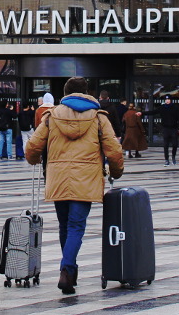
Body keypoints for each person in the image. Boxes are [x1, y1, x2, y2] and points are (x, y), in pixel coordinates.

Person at [25, 77, 124, 296]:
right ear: (87, 92)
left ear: (66, 93)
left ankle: (70, 270)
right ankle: (67, 269)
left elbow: (33, 146)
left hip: (58, 178)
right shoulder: (98, 118)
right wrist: (116, 172)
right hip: (85, 180)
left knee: (64, 225)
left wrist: (33, 159)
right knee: (76, 226)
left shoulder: (52, 116)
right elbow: (114, 150)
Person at [159, 96, 179, 166]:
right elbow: (153, 112)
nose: (167, 101)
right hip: (165, 128)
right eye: (166, 99)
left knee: (175, 144)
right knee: (165, 145)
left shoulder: (175, 108)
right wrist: (142, 113)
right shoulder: (162, 107)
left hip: (173, 128)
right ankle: (166, 159)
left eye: (168, 99)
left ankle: (173, 156)